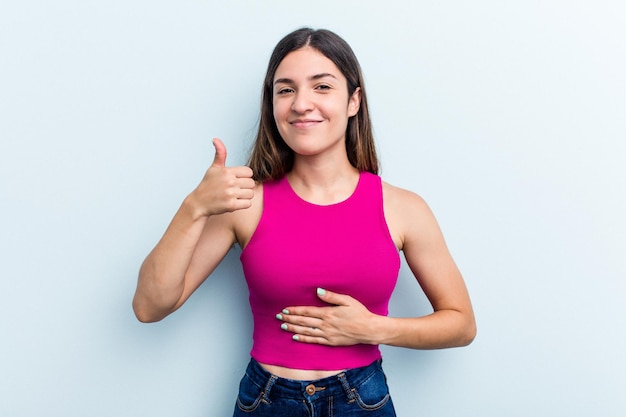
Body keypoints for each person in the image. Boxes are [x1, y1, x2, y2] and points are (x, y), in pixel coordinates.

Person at [133, 27, 476, 417]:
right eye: (286, 90)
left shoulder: (402, 207)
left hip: (361, 400)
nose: (301, 104)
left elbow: (461, 323)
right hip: (266, 401)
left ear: (354, 100)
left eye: (322, 87)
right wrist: (194, 207)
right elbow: (149, 306)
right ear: (272, 104)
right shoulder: (244, 202)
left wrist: (373, 329)